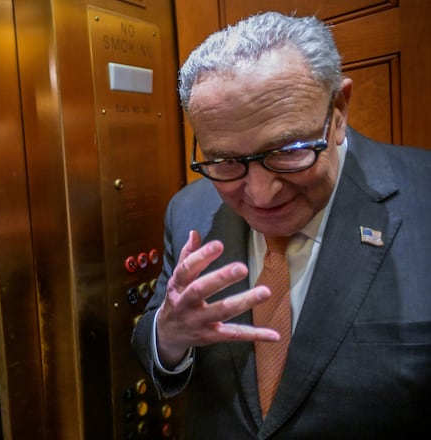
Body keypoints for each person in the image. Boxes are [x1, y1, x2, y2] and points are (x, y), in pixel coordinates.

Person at [131, 11, 431, 439]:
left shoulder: (423, 198)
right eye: (225, 161)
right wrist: (169, 335)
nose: (260, 194)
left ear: (339, 110)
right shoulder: (188, 211)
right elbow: (154, 342)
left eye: (288, 150)